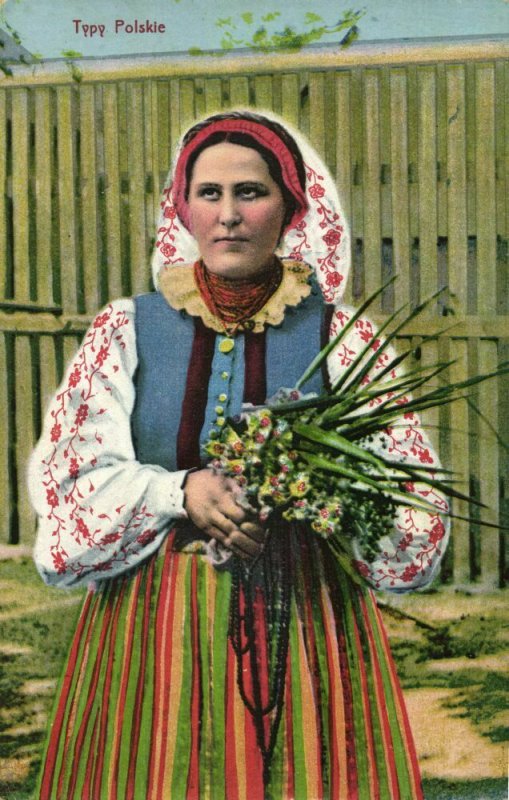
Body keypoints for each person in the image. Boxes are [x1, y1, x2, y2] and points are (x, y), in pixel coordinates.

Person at [29, 109, 449, 799]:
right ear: (182, 207)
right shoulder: (126, 328)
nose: (228, 215)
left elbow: (410, 510)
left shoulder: (342, 337)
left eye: (250, 193)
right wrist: (177, 493)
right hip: (153, 624)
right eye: (209, 193)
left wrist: (323, 493)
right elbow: (71, 488)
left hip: (306, 622)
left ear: (288, 208)